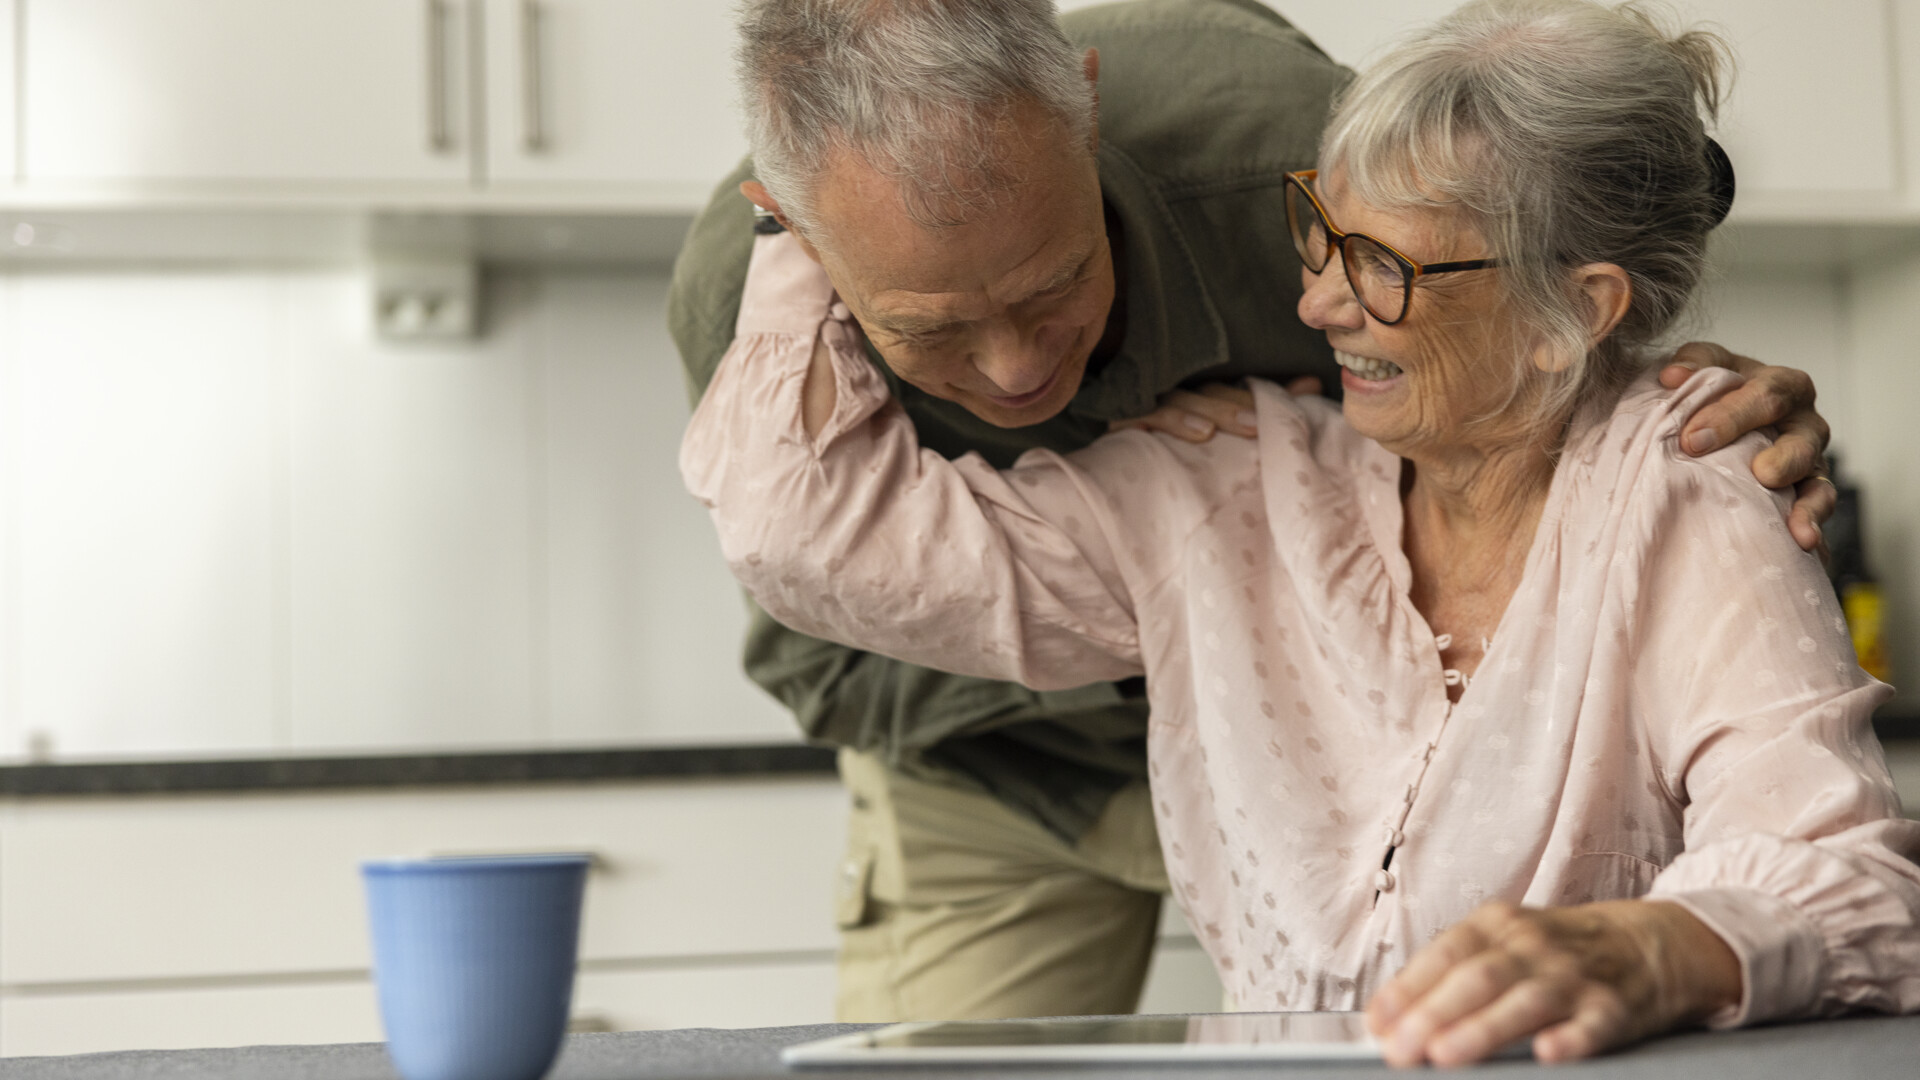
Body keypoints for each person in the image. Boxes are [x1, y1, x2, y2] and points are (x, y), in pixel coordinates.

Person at [683, 0, 1920, 1063]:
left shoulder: (1683, 477)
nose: (1314, 300)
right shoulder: (1222, 486)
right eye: (1316, 235)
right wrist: (801, 217)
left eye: (1372, 263)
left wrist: (1663, 946)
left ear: (1571, 310)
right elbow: (808, 530)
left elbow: (1848, 872)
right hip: (980, 764)